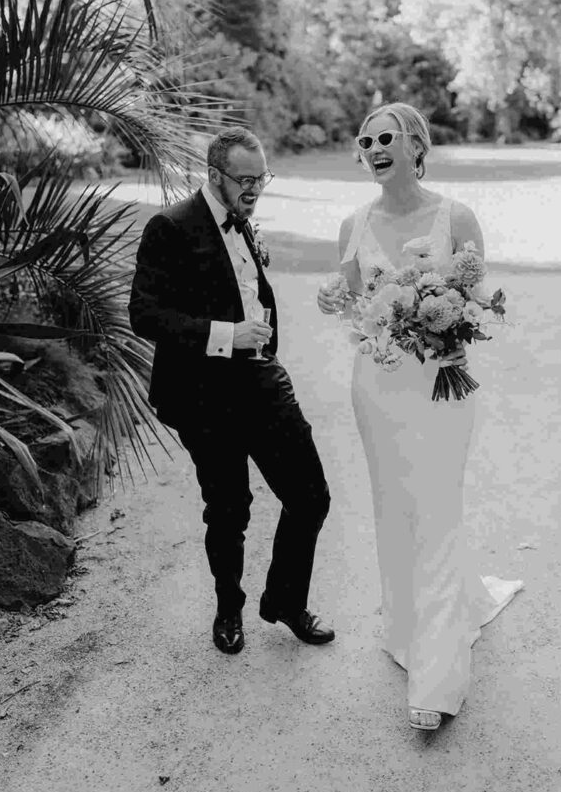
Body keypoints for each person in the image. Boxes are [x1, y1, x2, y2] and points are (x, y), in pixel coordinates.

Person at [318, 103, 522, 731]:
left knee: (436, 512)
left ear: (416, 145)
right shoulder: (353, 223)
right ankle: (408, 625)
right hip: (377, 391)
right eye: (364, 141)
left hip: (441, 392)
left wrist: (453, 329)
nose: (373, 148)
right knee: (395, 509)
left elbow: (478, 301)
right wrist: (340, 306)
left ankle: (436, 678)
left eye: (385, 137)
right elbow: (353, 310)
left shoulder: (455, 217)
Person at [130, 126, 334, 656]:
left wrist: (258, 338)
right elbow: (145, 315)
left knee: (310, 497)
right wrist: (227, 335)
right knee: (229, 509)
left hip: (261, 380)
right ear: (214, 175)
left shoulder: (243, 220)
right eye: (245, 179)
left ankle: (285, 602)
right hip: (202, 394)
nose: (255, 188)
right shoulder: (170, 227)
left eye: (261, 176)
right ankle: (229, 610)